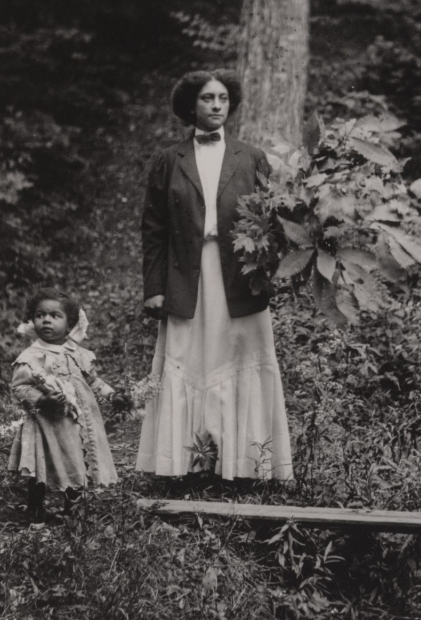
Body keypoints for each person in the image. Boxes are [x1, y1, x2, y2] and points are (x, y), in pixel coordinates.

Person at [136, 69, 293, 480]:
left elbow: (275, 219)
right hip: (186, 274)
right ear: (191, 106)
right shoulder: (169, 159)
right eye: (207, 99)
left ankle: (246, 464)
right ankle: (183, 463)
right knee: (189, 357)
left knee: (238, 357)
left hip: (239, 275)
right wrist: (154, 288)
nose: (216, 106)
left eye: (223, 99)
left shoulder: (252, 158)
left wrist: (274, 270)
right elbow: (152, 230)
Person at [8, 288, 125, 522]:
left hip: (76, 423)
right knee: (42, 464)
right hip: (46, 423)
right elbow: (19, 387)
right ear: (32, 319)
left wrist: (112, 396)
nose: (46, 320)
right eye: (40, 315)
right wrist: (42, 399)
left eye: (55, 316)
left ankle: (72, 510)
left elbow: (93, 381)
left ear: (69, 323)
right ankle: (36, 508)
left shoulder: (77, 353)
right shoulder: (32, 356)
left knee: (76, 459)